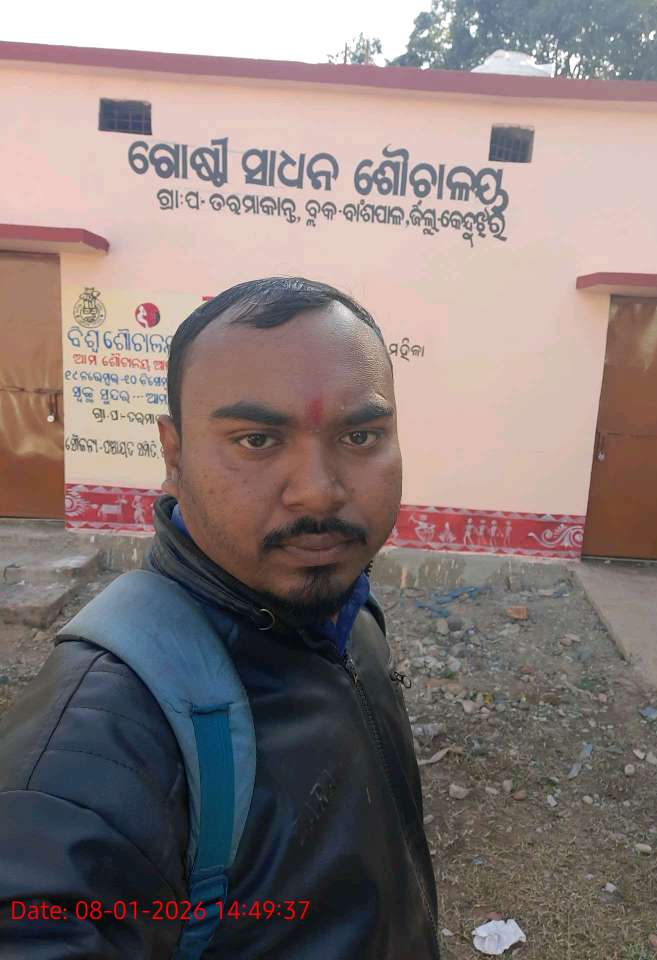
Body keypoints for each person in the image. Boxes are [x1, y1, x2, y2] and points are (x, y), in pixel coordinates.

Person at [0, 277, 440, 958]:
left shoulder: (347, 616)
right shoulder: (92, 749)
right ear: (174, 454)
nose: (318, 491)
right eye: (258, 439)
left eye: (361, 435)